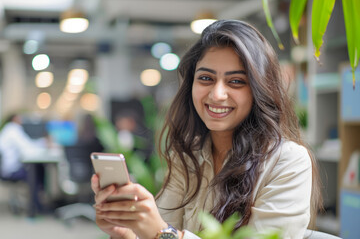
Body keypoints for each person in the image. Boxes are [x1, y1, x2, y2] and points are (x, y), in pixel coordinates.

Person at [91, 20, 322, 239]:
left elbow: (162, 232)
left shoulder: (288, 161)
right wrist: (126, 231)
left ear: (259, 90)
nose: (217, 94)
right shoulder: (188, 157)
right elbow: (159, 228)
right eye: (205, 78)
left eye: (236, 82)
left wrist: (163, 233)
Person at [0, 113, 48, 181]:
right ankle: (36, 191)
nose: (22, 120)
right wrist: (44, 143)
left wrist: (42, 142)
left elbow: (28, 144)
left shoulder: (8, 129)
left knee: (38, 168)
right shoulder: (13, 130)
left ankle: (36, 191)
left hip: (7, 169)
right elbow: (27, 148)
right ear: (14, 119)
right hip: (11, 170)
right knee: (38, 171)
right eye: (20, 118)